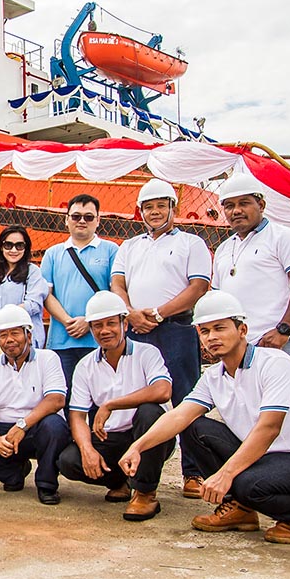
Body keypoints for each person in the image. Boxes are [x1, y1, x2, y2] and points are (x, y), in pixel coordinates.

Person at [119, 291, 290, 545]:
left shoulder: (275, 364)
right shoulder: (214, 376)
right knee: (192, 427)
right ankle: (240, 510)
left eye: (219, 328)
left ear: (242, 330)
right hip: (262, 457)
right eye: (204, 331)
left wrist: (226, 474)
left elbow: (269, 428)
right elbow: (179, 416)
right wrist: (138, 446)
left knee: (245, 484)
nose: (211, 337)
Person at [110, 179, 211, 498]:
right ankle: (130, 471)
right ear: (140, 211)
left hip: (175, 329)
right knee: (134, 397)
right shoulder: (129, 246)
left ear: (173, 208)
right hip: (136, 329)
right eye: (149, 207)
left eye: (161, 206)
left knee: (187, 399)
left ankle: (193, 472)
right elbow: (117, 283)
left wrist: (158, 313)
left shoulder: (191, 243)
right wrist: (130, 313)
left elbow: (198, 287)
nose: (154, 212)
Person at [58, 291, 174, 521]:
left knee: (150, 412)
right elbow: (77, 416)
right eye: (97, 325)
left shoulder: (146, 353)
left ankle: (145, 493)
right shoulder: (85, 366)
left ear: (125, 324)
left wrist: (111, 405)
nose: (105, 330)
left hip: (146, 438)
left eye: (111, 323)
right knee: (68, 461)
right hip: (112, 438)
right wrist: (87, 450)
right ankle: (120, 481)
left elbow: (163, 390)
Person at [211, 173, 290, 375]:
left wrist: (283, 330)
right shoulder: (224, 249)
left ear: (261, 205)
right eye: (229, 206)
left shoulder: (283, 237)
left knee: (287, 397)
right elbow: (218, 297)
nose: (236, 211)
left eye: (244, 203)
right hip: (239, 348)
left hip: (278, 344)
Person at [0, 305, 70, 505]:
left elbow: (56, 399)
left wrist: (22, 425)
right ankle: (14, 473)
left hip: (38, 426)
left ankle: (46, 484)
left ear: (28, 335)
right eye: (3, 335)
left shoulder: (48, 359)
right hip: (5, 428)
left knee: (54, 426)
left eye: (15, 333)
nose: (9, 340)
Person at [41, 193, 120, 389]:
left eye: (89, 217)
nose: (82, 221)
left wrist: (89, 321)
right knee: (63, 395)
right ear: (66, 219)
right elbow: (46, 294)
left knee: (100, 395)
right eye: (76, 216)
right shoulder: (52, 254)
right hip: (61, 340)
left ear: (98, 220)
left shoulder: (111, 250)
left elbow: (116, 292)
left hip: (99, 339)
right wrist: (67, 321)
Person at [0, 225, 50, 348]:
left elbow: (34, 304)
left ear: (26, 248)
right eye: (8, 245)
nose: (14, 250)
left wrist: (3, 315)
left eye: (19, 246)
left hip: (24, 343)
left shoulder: (32, 272)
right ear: (1, 247)